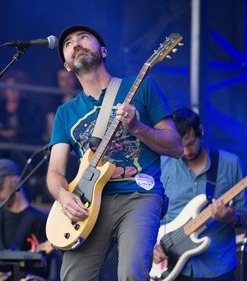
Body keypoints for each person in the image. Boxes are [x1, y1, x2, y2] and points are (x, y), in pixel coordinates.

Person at [46, 25, 183, 281]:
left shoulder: (141, 86)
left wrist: (137, 127)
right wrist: (64, 197)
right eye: (68, 43)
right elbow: (55, 172)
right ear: (66, 66)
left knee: (132, 273)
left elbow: (175, 146)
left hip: (139, 195)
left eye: (84, 38)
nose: (76, 43)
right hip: (87, 204)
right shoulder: (65, 113)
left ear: (104, 51)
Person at [153, 108, 247, 280]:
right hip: (171, 267)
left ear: (201, 130)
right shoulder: (164, 166)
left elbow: (246, 211)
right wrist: (152, 245)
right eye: (181, 145)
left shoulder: (230, 163)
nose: (186, 151)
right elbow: (151, 213)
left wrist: (232, 217)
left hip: (217, 267)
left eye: (191, 143)